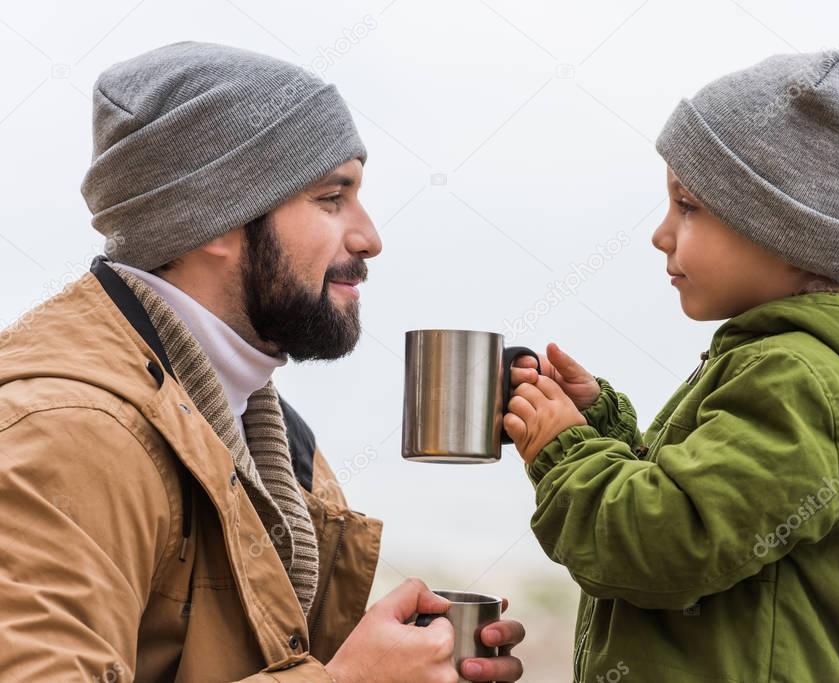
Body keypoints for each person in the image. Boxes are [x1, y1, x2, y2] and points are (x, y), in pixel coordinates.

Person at [0, 41, 524, 683]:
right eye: (332, 198)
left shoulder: (273, 435)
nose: (369, 238)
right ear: (216, 217)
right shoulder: (69, 431)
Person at [503, 50, 839, 681]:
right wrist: (599, 427)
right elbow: (703, 501)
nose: (661, 233)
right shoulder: (789, 365)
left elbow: (668, 542)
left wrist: (563, 450)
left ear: (783, 231)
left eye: (690, 206)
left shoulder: (798, 381)